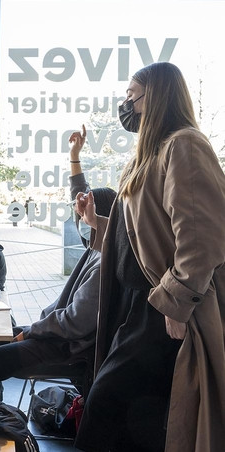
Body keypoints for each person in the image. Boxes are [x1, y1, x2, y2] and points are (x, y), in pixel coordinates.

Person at [74, 62, 225, 452]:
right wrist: (98, 222)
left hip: (161, 309)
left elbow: (202, 236)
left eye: (131, 95)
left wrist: (177, 303)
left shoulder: (185, 145)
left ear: (154, 96)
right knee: (138, 416)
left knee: (106, 404)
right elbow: (141, 237)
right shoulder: (151, 154)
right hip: (138, 305)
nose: (125, 104)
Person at [0, 126, 117, 400]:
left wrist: (30, 332)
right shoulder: (97, 245)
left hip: (62, 348)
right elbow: (80, 194)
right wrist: (74, 157)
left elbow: (74, 323)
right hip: (50, 337)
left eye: (84, 215)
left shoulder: (104, 262)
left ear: (99, 218)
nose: (79, 218)